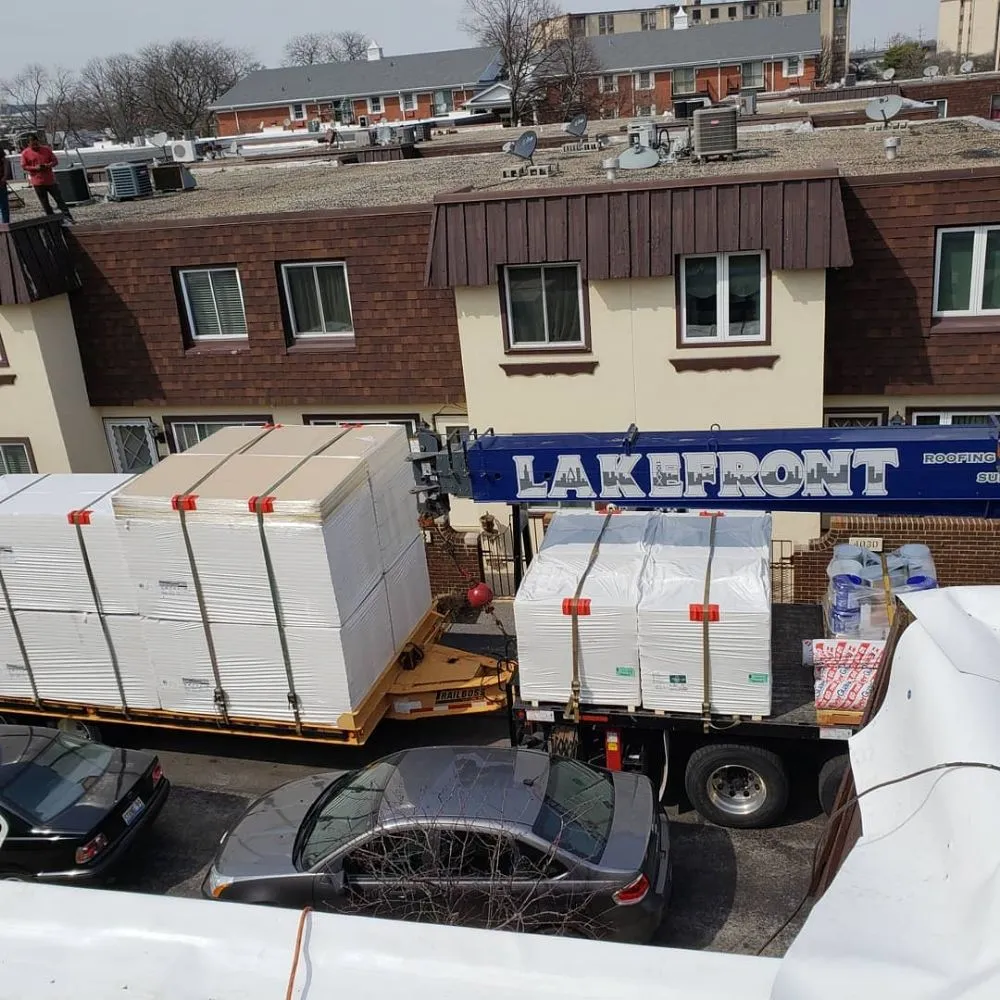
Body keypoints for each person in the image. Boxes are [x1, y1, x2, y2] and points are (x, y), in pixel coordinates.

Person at [19, 134, 73, 225]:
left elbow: (55, 161)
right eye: (33, 145)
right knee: (45, 202)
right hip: (37, 181)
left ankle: (68, 217)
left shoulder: (46, 149)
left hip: (50, 180)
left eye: (36, 144)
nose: (35, 146)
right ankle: (52, 219)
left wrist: (48, 165)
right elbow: (24, 166)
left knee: (59, 199)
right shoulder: (25, 153)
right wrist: (35, 168)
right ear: (28, 144)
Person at [0, 144, 10, 225]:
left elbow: (5, 161)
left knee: (3, 205)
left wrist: (5, 176)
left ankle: (5, 224)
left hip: (0, 181)